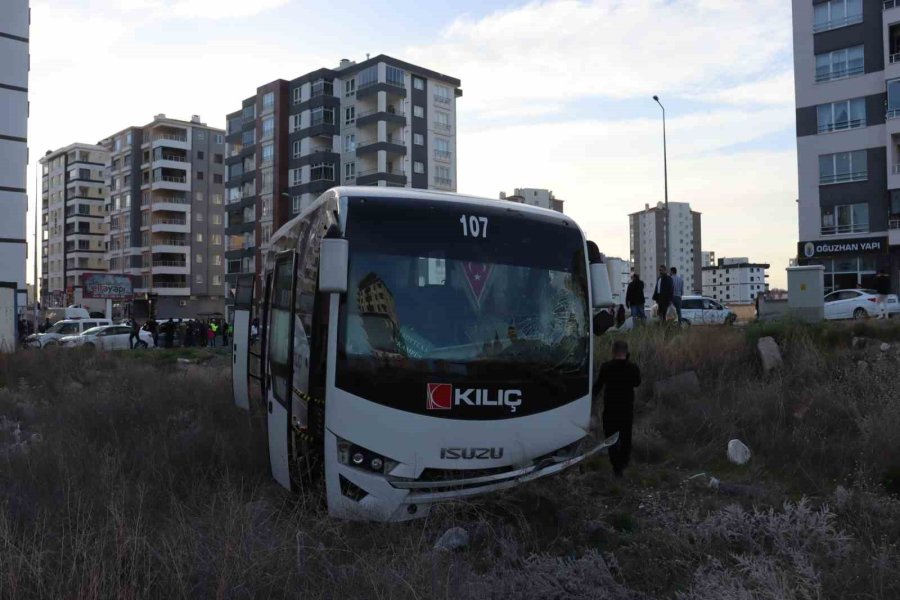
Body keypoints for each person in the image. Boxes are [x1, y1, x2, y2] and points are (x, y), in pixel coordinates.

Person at [595, 340, 641, 477]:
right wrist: (628, 361)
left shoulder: (606, 367)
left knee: (611, 438)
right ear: (626, 353)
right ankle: (624, 462)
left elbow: (598, 386)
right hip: (626, 409)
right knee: (626, 437)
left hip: (610, 409)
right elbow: (637, 383)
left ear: (613, 352)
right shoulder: (632, 367)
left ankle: (616, 467)